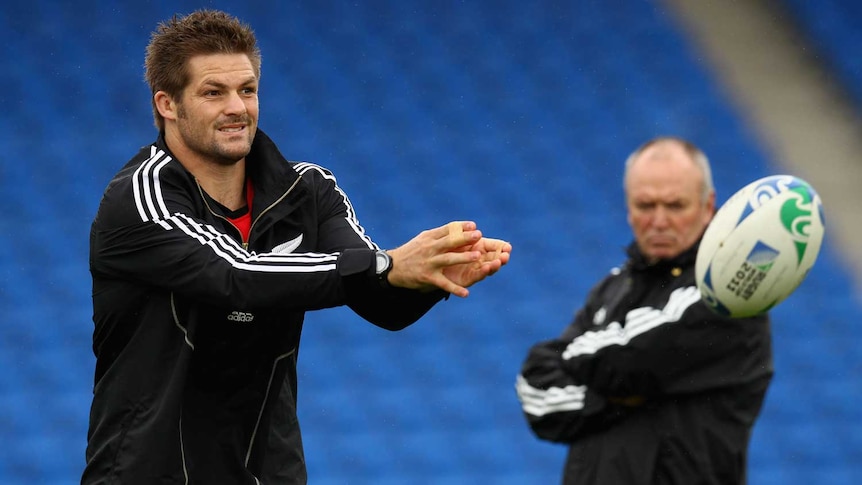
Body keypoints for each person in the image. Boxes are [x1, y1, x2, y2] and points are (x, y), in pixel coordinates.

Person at [83, 9, 511, 484]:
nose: (237, 108)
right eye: (213, 92)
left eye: (247, 89)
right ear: (167, 104)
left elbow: (380, 302)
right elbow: (236, 276)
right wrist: (388, 264)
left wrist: (431, 276)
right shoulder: (140, 198)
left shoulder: (307, 190)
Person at [515, 137, 773, 484]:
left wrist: (591, 373)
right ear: (628, 207)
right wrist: (622, 393)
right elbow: (537, 397)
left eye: (676, 205)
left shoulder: (729, 294)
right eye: (646, 205)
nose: (660, 221)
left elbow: (626, 359)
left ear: (708, 206)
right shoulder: (614, 286)